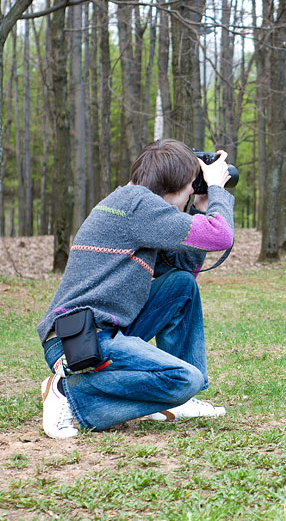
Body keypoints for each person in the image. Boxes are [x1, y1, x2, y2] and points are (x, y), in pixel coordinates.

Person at [37, 139, 235, 438]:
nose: (194, 190)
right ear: (179, 182)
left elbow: (185, 270)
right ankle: (68, 391)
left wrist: (201, 209)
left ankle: (180, 403)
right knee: (183, 378)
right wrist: (217, 189)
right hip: (79, 341)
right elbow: (221, 236)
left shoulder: (131, 203)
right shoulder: (141, 206)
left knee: (180, 285)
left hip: (100, 330)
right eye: (192, 185)